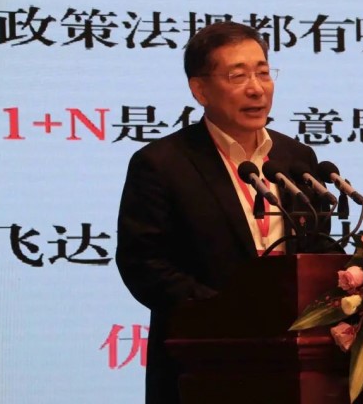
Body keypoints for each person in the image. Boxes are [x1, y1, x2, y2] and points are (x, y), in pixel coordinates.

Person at [115, 21, 331, 404]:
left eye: (263, 73)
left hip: (297, 366)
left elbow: (317, 247)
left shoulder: (296, 158)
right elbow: (144, 265)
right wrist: (227, 313)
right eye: (237, 76)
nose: (256, 88)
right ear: (200, 90)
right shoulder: (162, 164)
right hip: (203, 368)